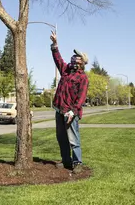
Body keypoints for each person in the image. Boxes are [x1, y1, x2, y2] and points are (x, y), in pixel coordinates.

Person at [50, 30, 89, 173]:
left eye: (77, 58)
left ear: (81, 62)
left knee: (73, 138)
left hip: (71, 112)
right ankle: (66, 160)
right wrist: (55, 45)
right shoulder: (66, 70)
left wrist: (73, 111)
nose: (73, 59)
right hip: (59, 110)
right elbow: (58, 59)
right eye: (74, 57)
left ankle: (77, 163)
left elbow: (81, 98)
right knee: (61, 137)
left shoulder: (82, 78)